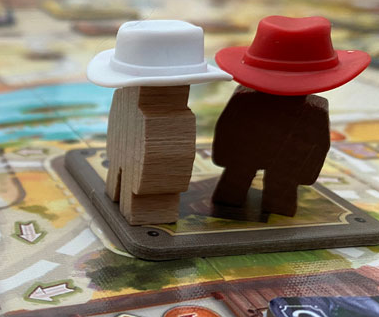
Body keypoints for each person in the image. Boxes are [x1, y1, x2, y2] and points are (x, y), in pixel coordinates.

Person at [212, 15, 370, 217]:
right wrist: (307, 173)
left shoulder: (245, 100)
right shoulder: (314, 111)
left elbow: (226, 129)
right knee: (262, 185)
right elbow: (319, 145)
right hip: (272, 159)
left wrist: (223, 155)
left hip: (265, 157)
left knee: (250, 182)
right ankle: (251, 200)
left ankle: (242, 199)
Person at [87, 20, 231, 225]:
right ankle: (125, 197)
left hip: (152, 176)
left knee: (141, 186)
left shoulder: (171, 119)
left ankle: (140, 206)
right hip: (133, 155)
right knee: (124, 174)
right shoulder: (127, 103)